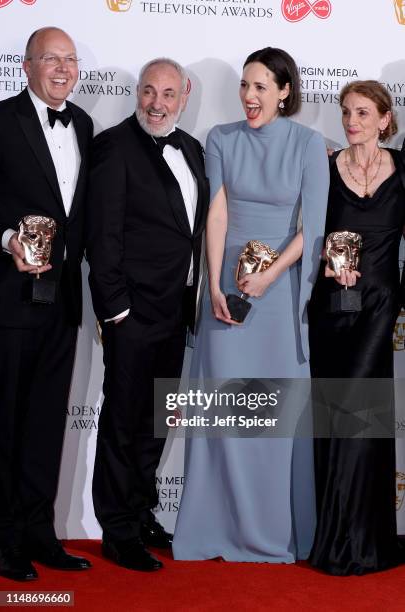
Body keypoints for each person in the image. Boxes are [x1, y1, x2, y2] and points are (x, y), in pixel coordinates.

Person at [173, 47, 329, 562]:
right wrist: (217, 288)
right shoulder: (220, 138)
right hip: (227, 296)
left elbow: (314, 228)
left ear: (285, 91)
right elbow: (216, 216)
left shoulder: (309, 144)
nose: (249, 96)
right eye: (245, 85)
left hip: (279, 296)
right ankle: (214, 528)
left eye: (261, 86)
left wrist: (272, 275)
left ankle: (277, 533)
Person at [86, 58, 209, 572]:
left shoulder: (193, 149)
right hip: (132, 313)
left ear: (184, 96)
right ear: (138, 93)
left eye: (167, 94)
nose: (156, 103)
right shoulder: (115, 146)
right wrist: (115, 310)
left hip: (175, 311)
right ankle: (117, 530)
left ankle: (140, 513)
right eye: (148, 92)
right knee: (123, 421)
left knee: (156, 423)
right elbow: (103, 235)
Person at [0, 27, 93, 581]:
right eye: (51, 59)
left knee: (43, 424)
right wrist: (8, 238)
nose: (62, 68)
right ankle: (4, 539)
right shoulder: (2, 120)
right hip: (9, 301)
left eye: (70, 60)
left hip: (62, 303)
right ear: (27, 65)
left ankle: (39, 533)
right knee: (6, 423)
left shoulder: (82, 124)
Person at [309, 80, 405, 575]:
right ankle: (337, 537)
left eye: (363, 113)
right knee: (336, 412)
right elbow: (305, 232)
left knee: (361, 413)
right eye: (346, 111)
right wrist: (325, 265)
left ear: (385, 120)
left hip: (379, 307)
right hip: (332, 308)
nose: (352, 121)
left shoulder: (402, 170)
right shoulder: (324, 168)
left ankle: (362, 542)